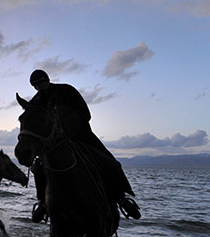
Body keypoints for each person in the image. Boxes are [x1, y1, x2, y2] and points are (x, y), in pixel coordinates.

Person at [26, 69, 140, 222]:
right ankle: (42, 203)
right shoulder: (36, 101)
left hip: (80, 135)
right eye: (35, 86)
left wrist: (68, 125)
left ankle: (121, 198)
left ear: (47, 80)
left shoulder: (67, 90)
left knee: (110, 162)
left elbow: (86, 114)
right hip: (53, 144)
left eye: (40, 83)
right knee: (38, 168)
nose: (38, 88)